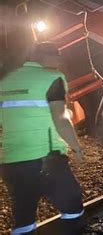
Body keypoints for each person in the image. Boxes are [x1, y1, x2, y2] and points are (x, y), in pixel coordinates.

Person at [0, 42, 85, 234]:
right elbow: (60, 118)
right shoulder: (53, 78)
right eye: (57, 58)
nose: (59, 62)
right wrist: (77, 148)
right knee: (72, 205)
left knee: (23, 217)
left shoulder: (5, 81)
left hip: (11, 161)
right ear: (48, 58)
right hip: (46, 158)